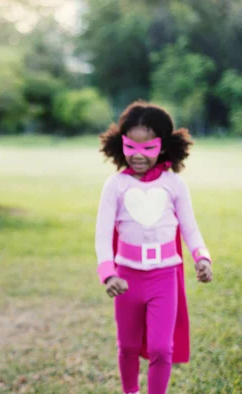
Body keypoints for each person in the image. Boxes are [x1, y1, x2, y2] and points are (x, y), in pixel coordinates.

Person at [95, 101, 213, 394]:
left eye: (147, 148)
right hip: (126, 277)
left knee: (162, 347)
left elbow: (190, 227)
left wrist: (202, 257)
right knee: (129, 346)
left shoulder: (174, 184)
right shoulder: (115, 185)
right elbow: (102, 233)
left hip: (164, 276)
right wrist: (108, 274)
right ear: (120, 144)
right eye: (130, 146)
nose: (137, 155)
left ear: (163, 147)